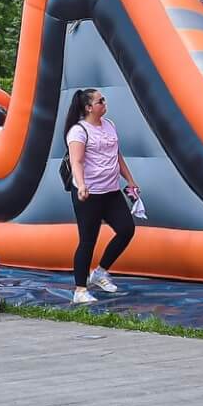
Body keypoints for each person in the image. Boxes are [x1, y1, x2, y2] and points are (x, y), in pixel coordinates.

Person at [65, 87, 139, 305]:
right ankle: (80, 289)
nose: (104, 103)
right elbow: (75, 161)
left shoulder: (109, 125)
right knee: (88, 240)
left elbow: (117, 155)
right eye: (100, 101)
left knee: (127, 230)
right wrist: (81, 185)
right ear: (89, 108)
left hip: (111, 191)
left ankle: (100, 272)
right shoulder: (79, 131)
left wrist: (130, 180)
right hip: (90, 193)